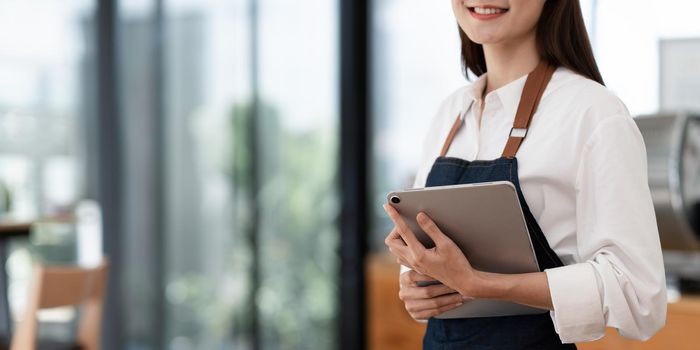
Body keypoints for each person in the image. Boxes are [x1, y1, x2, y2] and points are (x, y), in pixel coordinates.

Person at [382, 1, 667, 349]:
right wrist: (417, 291)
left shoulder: (594, 113)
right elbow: (429, 273)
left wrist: (482, 284)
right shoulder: (450, 113)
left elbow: (639, 297)